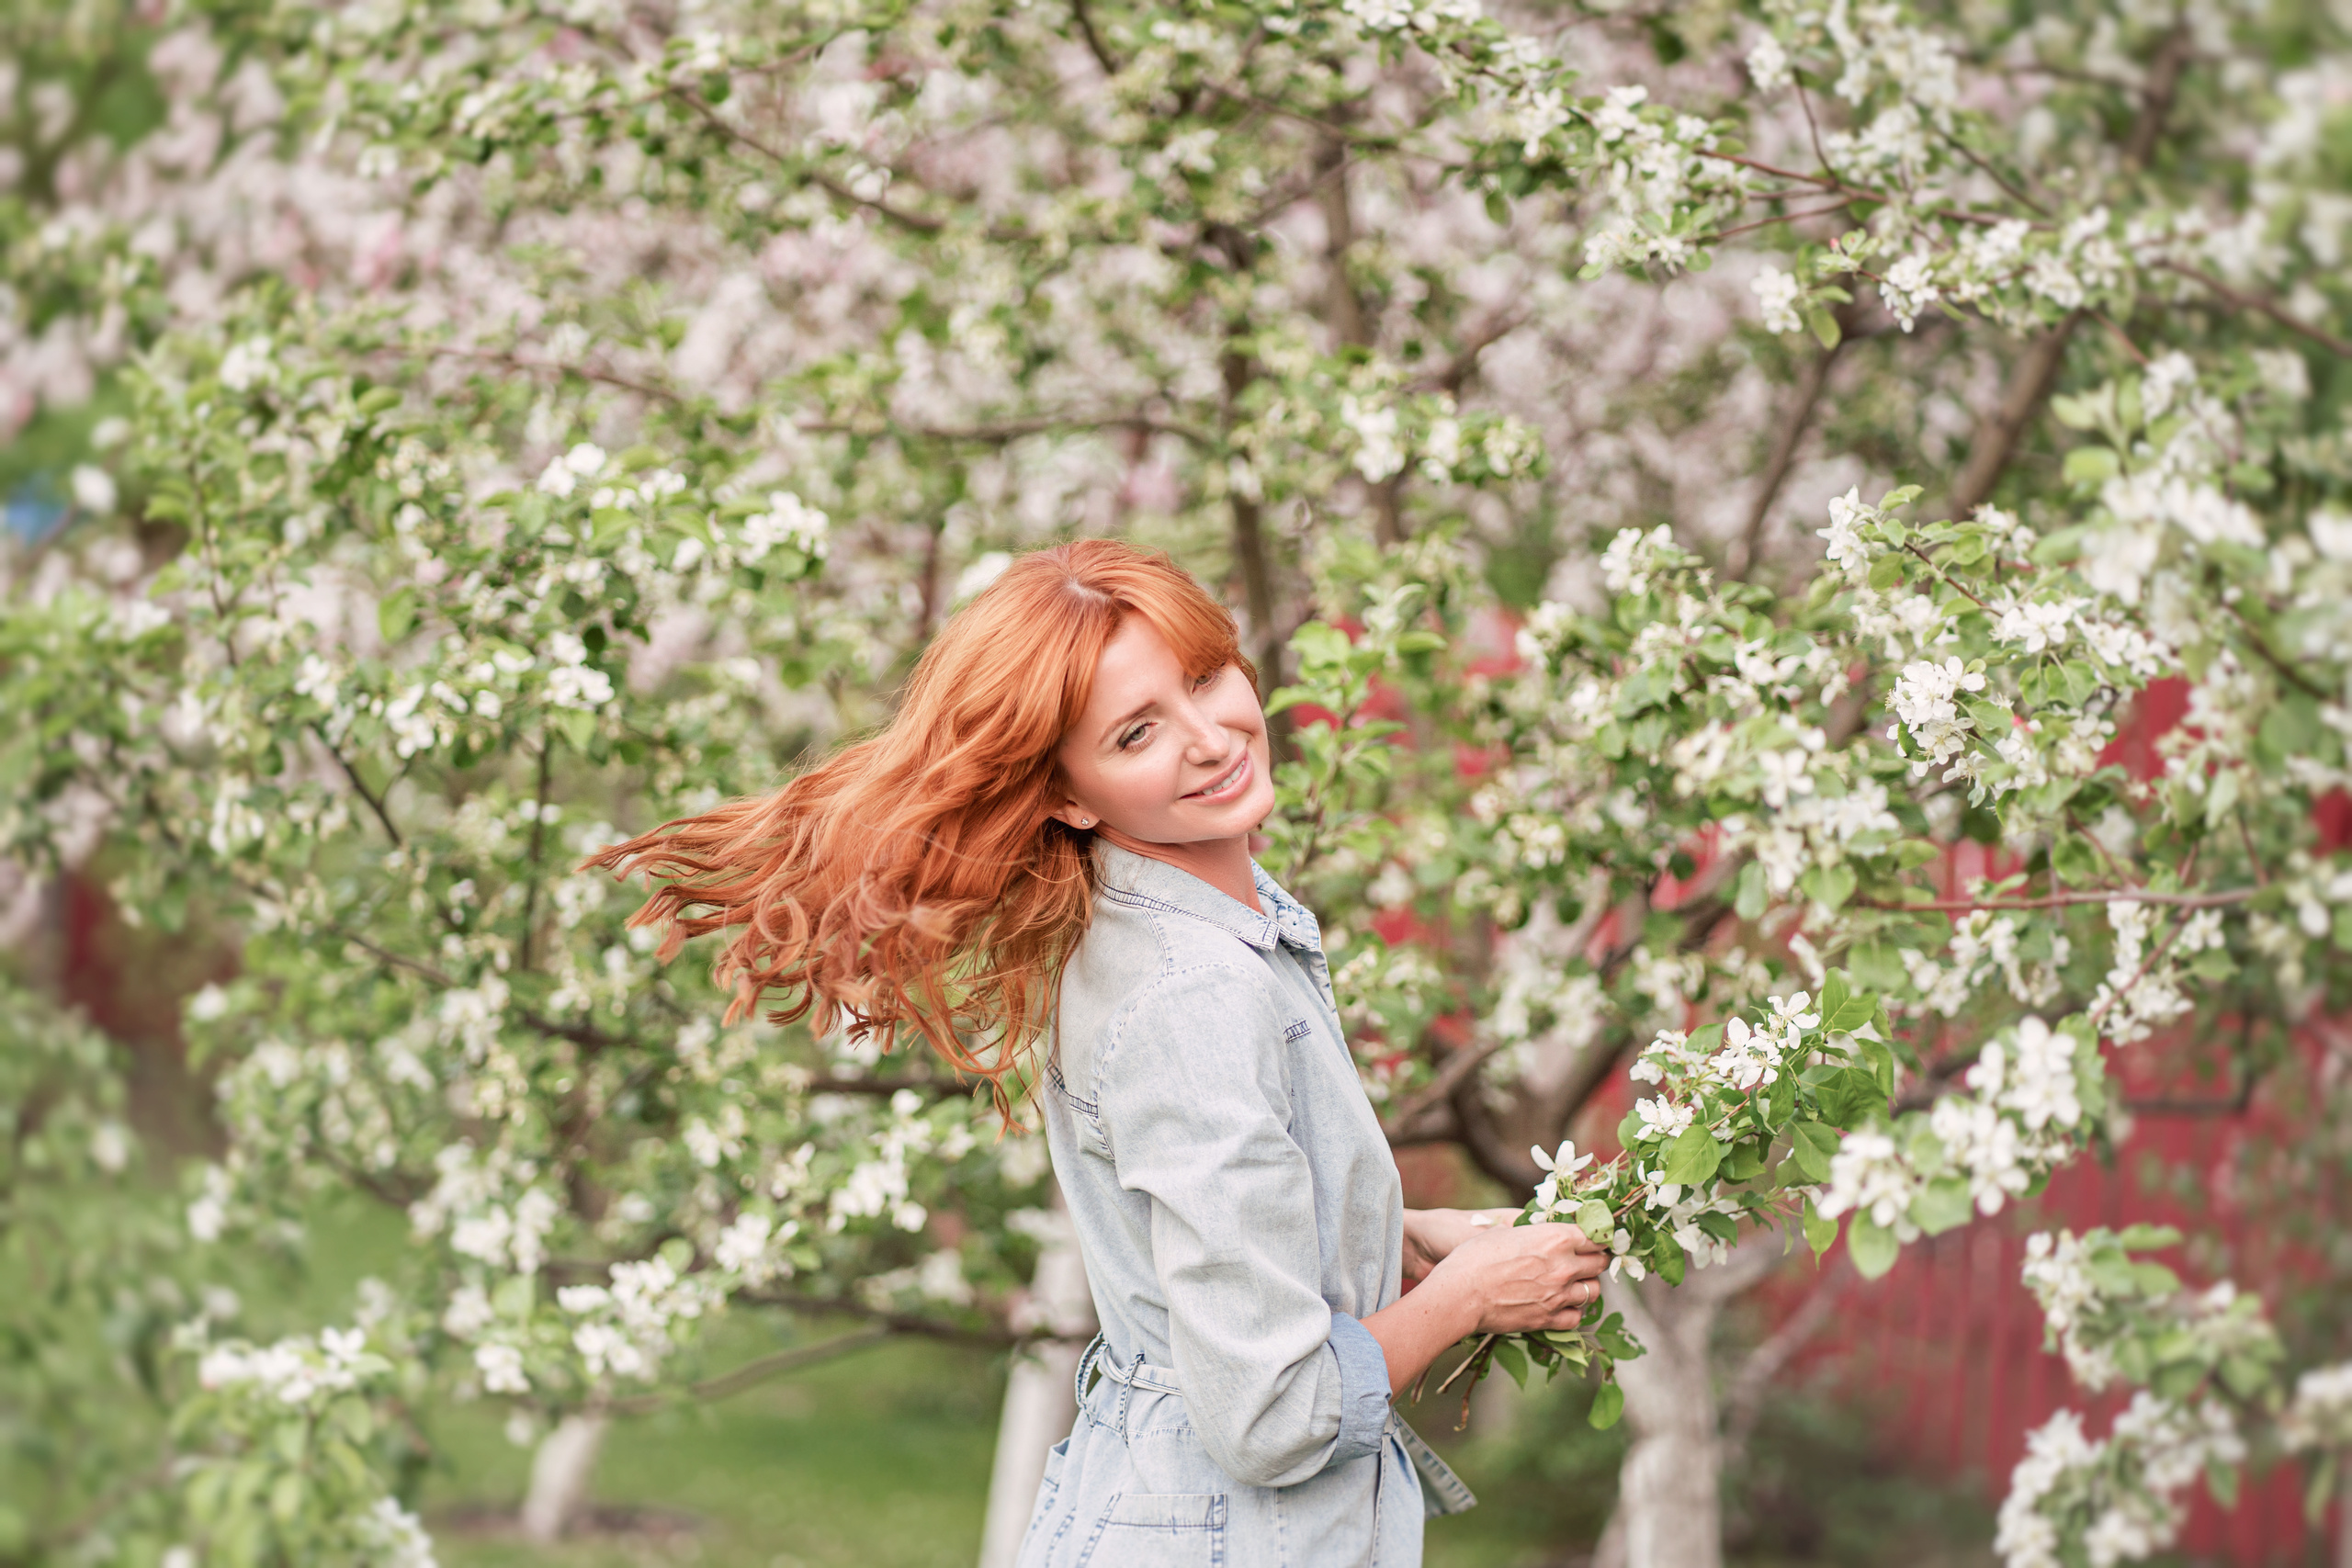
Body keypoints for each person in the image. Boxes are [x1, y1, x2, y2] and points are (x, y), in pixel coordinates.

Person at [594, 539, 1607, 1565]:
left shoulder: (1175, 931)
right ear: (1071, 796)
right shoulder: (1194, 993)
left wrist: (1390, 1234)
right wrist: (1466, 1299)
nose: (1212, 738)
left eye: (1206, 678)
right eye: (1136, 732)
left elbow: (1202, 1233)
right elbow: (1269, 1412)